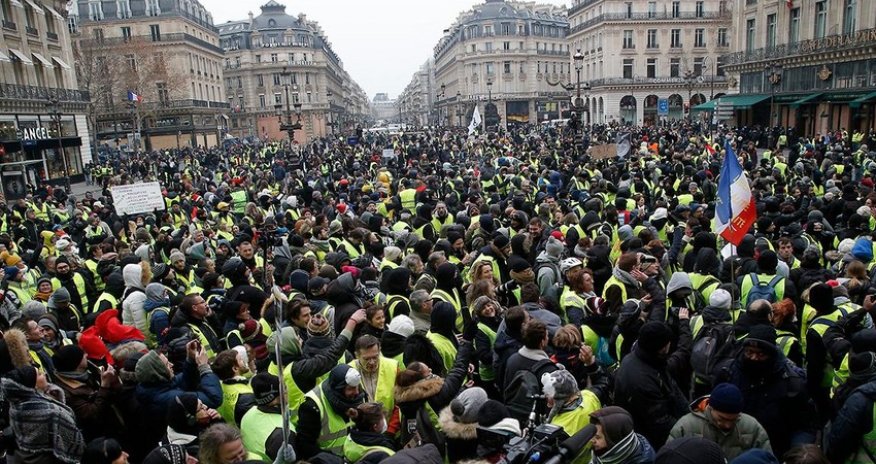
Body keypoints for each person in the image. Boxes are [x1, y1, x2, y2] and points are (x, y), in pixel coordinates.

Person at [614, 320, 690, 449]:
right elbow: (660, 422)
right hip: (652, 442)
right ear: (662, 347)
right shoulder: (642, 381)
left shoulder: (643, 359)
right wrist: (688, 431)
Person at [1, 365, 86, 464]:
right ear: (33, 385)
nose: (44, 374)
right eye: (39, 374)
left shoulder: (17, 405)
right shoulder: (50, 413)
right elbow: (76, 444)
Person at [668, 383, 772, 460]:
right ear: (710, 408)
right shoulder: (686, 426)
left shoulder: (752, 427)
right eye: (722, 418)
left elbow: (767, 458)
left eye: (733, 420)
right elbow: (669, 458)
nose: (727, 425)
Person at [295, 364, 366, 459]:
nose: (357, 392)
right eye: (351, 389)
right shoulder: (312, 406)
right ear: (338, 389)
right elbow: (305, 446)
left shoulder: (360, 397)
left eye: (357, 387)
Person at [589, 406, 655, 464]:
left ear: (616, 440)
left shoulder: (643, 461)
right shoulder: (604, 453)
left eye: (597, 437)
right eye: (592, 435)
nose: (591, 440)